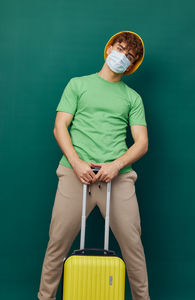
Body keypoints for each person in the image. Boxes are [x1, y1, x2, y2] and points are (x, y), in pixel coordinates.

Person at [37, 30, 151, 300]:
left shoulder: (132, 98)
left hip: (118, 177)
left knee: (133, 247)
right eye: (120, 48)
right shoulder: (78, 84)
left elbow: (142, 142)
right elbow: (59, 127)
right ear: (110, 47)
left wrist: (116, 165)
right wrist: (76, 164)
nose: (123, 56)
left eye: (130, 56)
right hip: (75, 173)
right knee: (57, 245)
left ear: (133, 66)